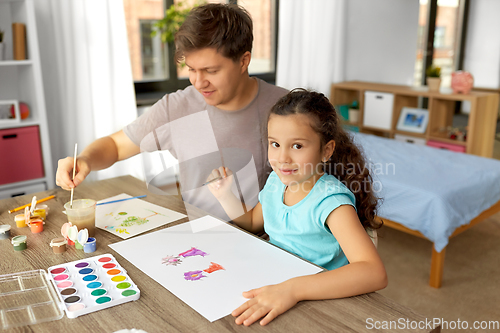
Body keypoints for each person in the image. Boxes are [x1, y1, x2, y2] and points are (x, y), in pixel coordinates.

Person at [55, 4, 288, 220]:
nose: (198, 82)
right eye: (192, 69)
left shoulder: (286, 108)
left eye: (211, 70)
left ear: (243, 61)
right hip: (200, 242)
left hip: (267, 240)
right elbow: (115, 146)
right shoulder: (177, 107)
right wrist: (85, 160)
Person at [208, 89, 388, 326]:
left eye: (297, 146)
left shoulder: (331, 202)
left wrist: (292, 290)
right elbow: (253, 222)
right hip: (276, 284)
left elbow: (374, 273)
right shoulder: (276, 181)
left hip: (318, 301)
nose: (283, 158)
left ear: (326, 150)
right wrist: (225, 195)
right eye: (275, 144)